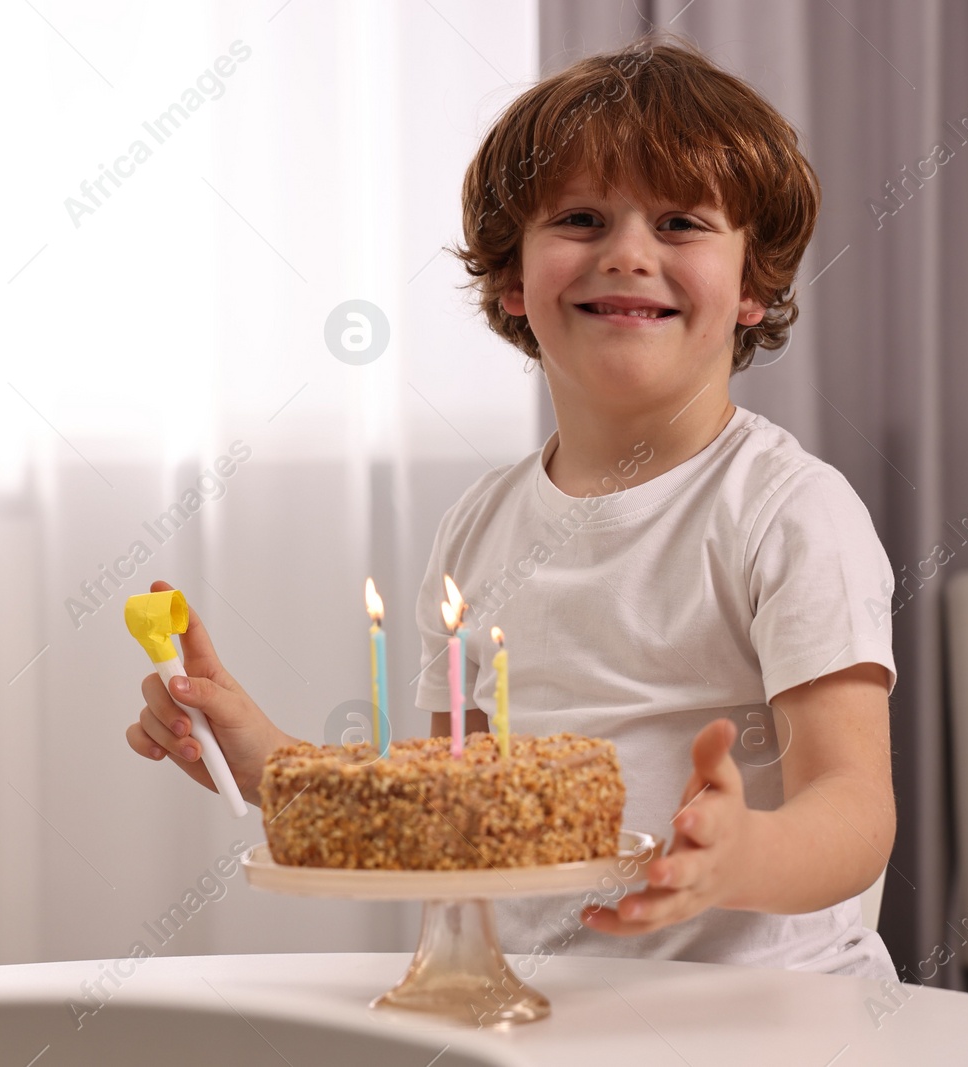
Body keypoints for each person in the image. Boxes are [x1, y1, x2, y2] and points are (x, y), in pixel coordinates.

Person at [127, 34, 898, 980]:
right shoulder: (479, 529)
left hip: (774, 1015)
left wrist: (744, 856)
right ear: (510, 279)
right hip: (550, 1008)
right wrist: (261, 757)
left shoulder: (791, 513)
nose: (627, 254)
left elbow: (856, 807)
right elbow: (441, 814)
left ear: (756, 286)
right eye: (580, 217)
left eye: (682, 224)